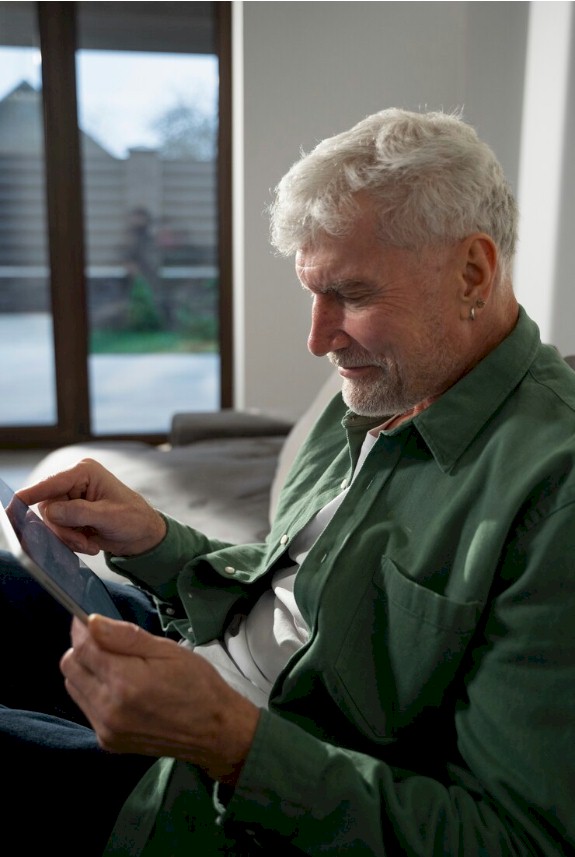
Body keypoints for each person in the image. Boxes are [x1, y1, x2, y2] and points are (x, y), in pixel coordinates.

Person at [2, 108, 575, 856]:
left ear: (472, 271)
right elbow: (289, 593)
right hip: (196, 660)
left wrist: (226, 739)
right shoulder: (383, 390)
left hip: (230, 794)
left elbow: (512, 841)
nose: (316, 337)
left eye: (353, 295)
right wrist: (158, 541)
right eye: (313, 291)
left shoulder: (551, 490)